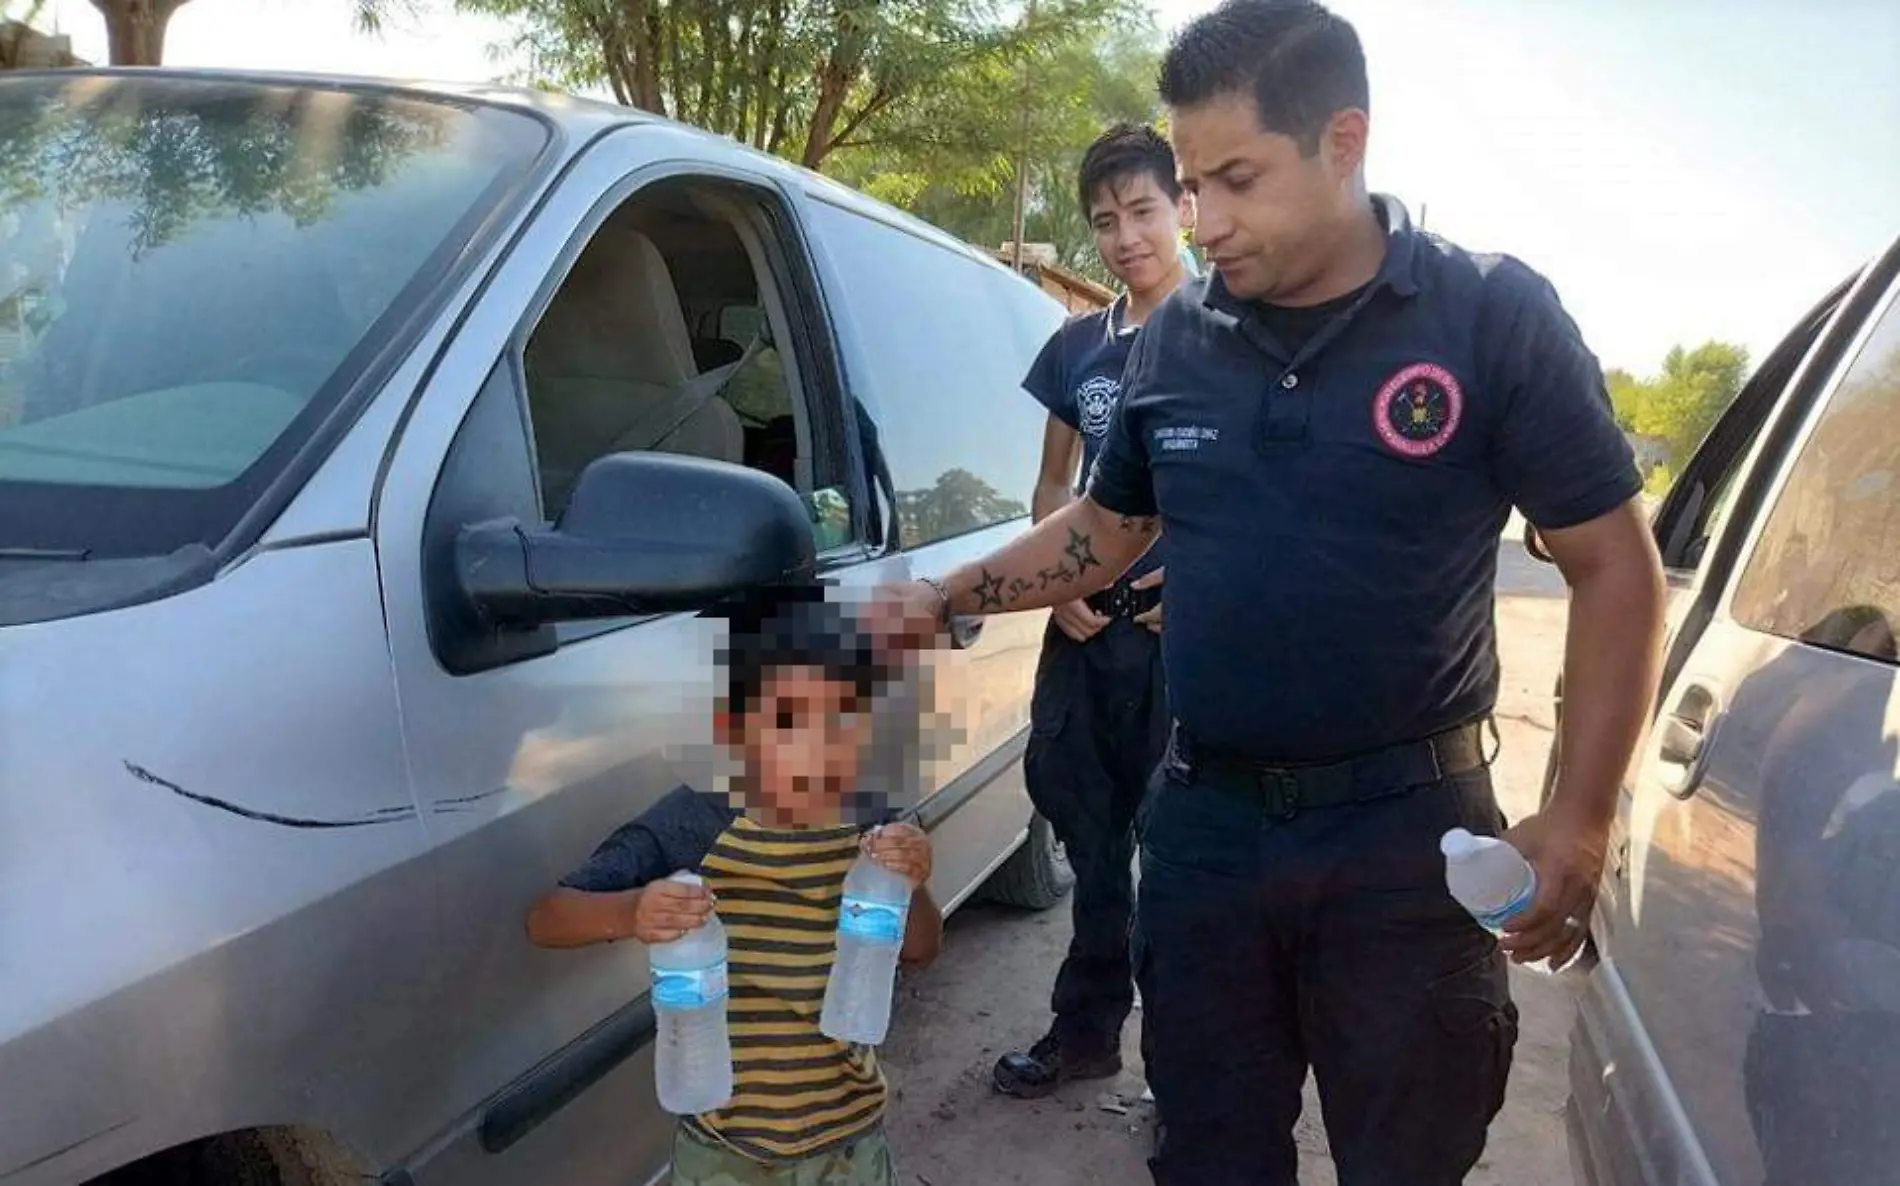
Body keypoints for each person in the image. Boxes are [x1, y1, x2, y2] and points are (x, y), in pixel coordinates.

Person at [873, 1, 1667, 1181]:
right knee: (1205, 1151)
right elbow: (1109, 524)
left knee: (1408, 1150)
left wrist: (1581, 809)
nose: (1203, 220)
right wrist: (944, 594)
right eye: (1189, 184)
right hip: (1204, 829)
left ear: (1343, 142)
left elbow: (1614, 567)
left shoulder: (1487, 317)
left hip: (1406, 835)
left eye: (1235, 179)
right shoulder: (1174, 336)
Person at [525, 595, 944, 1186]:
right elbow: (547, 918)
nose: (820, 749)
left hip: (847, 1141)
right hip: (723, 1149)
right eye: (788, 722)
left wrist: (915, 885)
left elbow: (921, 949)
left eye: (846, 720)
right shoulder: (694, 823)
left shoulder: (875, 822)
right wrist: (632, 911)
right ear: (733, 731)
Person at [992, 124, 1191, 1101]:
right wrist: (1061, 586)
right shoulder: (1077, 346)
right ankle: (1085, 1033)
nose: (1125, 236)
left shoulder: (1234, 333)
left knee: (1187, 860)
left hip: (1183, 653)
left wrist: (1197, 585)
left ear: (1184, 207)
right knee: (1092, 840)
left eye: (1143, 211)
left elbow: (1270, 503)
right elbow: (1049, 488)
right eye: (1104, 221)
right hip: (1083, 636)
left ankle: (1185, 1075)